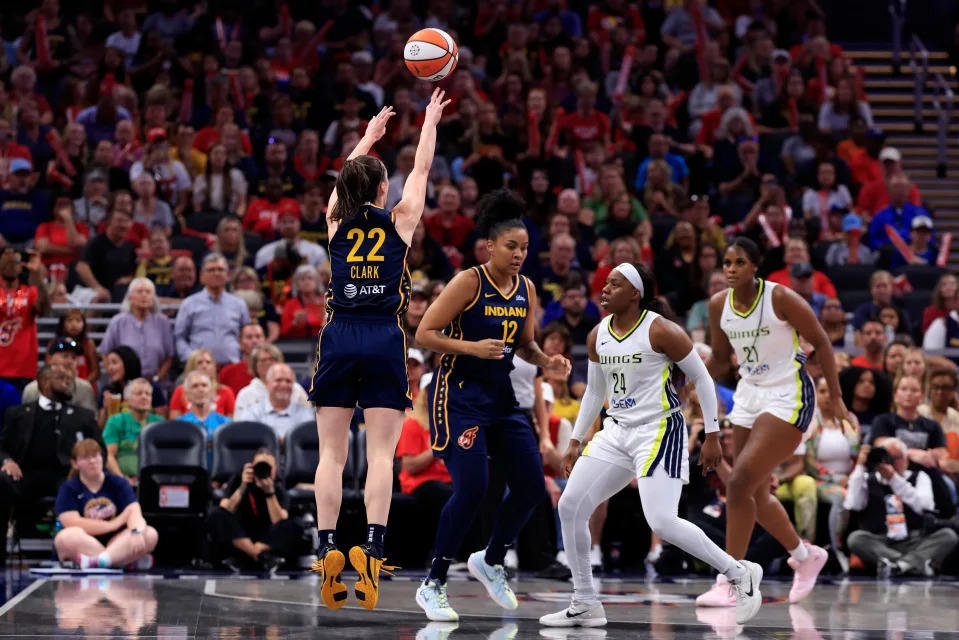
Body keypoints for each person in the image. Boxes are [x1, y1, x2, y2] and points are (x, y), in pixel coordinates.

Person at [540, 262, 762, 628]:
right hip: (616, 430)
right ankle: (584, 602)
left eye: (614, 284)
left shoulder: (661, 330)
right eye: (605, 283)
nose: (605, 289)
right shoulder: (598, 335)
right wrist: (577, 439)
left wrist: (711, 434)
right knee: (570, 506)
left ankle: (739, 573)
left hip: (658, 428)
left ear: (636, 293)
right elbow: (596, 390)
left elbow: (703, 380)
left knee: (661, 520)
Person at [311, 90, 450, 612]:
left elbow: (346, 180)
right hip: (386, 339)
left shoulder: (335, 224)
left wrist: (368, 136)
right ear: (385, 189)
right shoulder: (401, 221)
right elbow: (423, 164)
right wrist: (429, 120)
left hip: (340, 335)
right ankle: (372, 545)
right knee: (380, 456)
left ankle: (327, 544)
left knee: (330, 454)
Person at [413, 188, 571, 622]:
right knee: (474, 487)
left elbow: (526, 346)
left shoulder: (527, 289)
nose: (519, 254)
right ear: (489, 246)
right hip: (459, 395)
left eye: (524, 247)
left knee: (530, 487)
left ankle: (492, 558)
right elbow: (424, 333)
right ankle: (434, 582)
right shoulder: (468, 281)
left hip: (501, 398)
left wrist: (548, 362)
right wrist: (470, 348)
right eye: (511, 247)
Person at [699, 237, 846, 609]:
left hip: (788, 391)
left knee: (739, 483)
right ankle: (804, 555)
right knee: (755, 494)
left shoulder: (779, 298)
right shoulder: (718, 306)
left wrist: (839, 398)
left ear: (756, 267)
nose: (730, 269)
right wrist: (688, 379)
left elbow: (822, 343)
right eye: (727, 263)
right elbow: (719, 359)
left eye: (739, 262)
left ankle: (731, 580)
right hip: (749, 391)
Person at [0, 365, 103, 564]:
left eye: (70, 379)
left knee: (80, 485)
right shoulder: (19, 414)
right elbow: (2, 446)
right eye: (62, 379)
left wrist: (84, 466)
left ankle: (82, 551)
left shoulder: (83, 416)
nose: (69, 384)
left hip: (67, 476)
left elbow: (101, 450)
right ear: (45, 383)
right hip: (25, 475)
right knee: (1, 482)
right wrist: (7, 461)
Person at [844, 438, 959, 576]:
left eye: (896, 458)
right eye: (887, 457)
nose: (891, 462)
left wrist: (894, 480)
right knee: (856, 538)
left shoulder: (919, 477)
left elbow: (924, 506)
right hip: (882, 541)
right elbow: (853, 504)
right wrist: (860, 466)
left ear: (906, 459)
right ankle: (910, 564)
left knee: (948, 536)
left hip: (914, 539)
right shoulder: (868, 479)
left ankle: (897, 566)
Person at [54, 438, 158, 570]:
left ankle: (100, 562)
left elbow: (134, 511)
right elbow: (72, 522)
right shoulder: (68, 488)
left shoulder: (118, 483)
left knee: (150, 534)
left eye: (96, 456)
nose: (92, 461)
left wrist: (136, 531)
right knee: (65, 538)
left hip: (118, 540)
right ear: (75, 464)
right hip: (86, 542)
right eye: (86, 458)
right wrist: (111, 524)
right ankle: (122, 561)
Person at [206, 448, 302, 572]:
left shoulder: (278, 487)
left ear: (274, 470)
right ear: (251, 466)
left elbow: (279, 521)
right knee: (216, 515)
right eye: (259, 466)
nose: (263, 470)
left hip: (266, 537)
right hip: (240, 534)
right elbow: (226, 509)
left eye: (268, 467)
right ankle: (259, 556)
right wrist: (243, 486)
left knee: (295, 524)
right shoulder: (239, 479)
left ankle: (250, 554)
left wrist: (269, 492)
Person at [174, 253, 251, 367]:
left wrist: (242, 360)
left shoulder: (239, 304)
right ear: (201, 276)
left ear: (228, 275)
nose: (216, 273)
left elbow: (247, 337)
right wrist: (191, 358)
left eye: (220, 269)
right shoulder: (189, 304)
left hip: (232, 366)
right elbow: (179, 338)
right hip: (199, 368)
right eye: (211, 270)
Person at [98, 277, 175, 382]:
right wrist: (117, 376)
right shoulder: (118, 321)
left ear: (153, 298)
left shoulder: (163, 322)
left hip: (156, 382)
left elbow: (169, 357)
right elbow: (105, 353)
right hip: (125, 382)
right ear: (130, 298)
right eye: (139, 291)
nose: (144, 295)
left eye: (148, 292)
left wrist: (157, 379)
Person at [0, 247, 50, 391]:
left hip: (23, 370)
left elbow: (44, 308)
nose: (10, 265)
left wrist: (36, 274)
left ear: (21, 265)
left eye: (14, 261)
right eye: (6, 261)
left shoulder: (30, 291)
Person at [103, 379, 163, 484]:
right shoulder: (116, 421)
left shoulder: (160, 423)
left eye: (148, 394)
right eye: (139, 393)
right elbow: (109, 456)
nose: (144, 397)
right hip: (122, 482)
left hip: (154, 482)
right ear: (127, 400)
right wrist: (122, 480)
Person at [234, 364, 314, 440]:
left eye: (288, 381)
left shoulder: (307, 414)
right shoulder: (251, 414)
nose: (283, 385)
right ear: (267, 384)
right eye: (278, 380)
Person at [23, 340, 98, 413]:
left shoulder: (85, 389)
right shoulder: (32, 390)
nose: (70, 361)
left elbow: (91, 420)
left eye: (73, 357)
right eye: (65, 356)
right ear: (51, 359)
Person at [218, 324, 266, 396]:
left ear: (265, 341)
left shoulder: (274, 372)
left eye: (258, 337)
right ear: (240, 343)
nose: (254, 341)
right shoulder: (227, 373)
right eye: (249, 337)